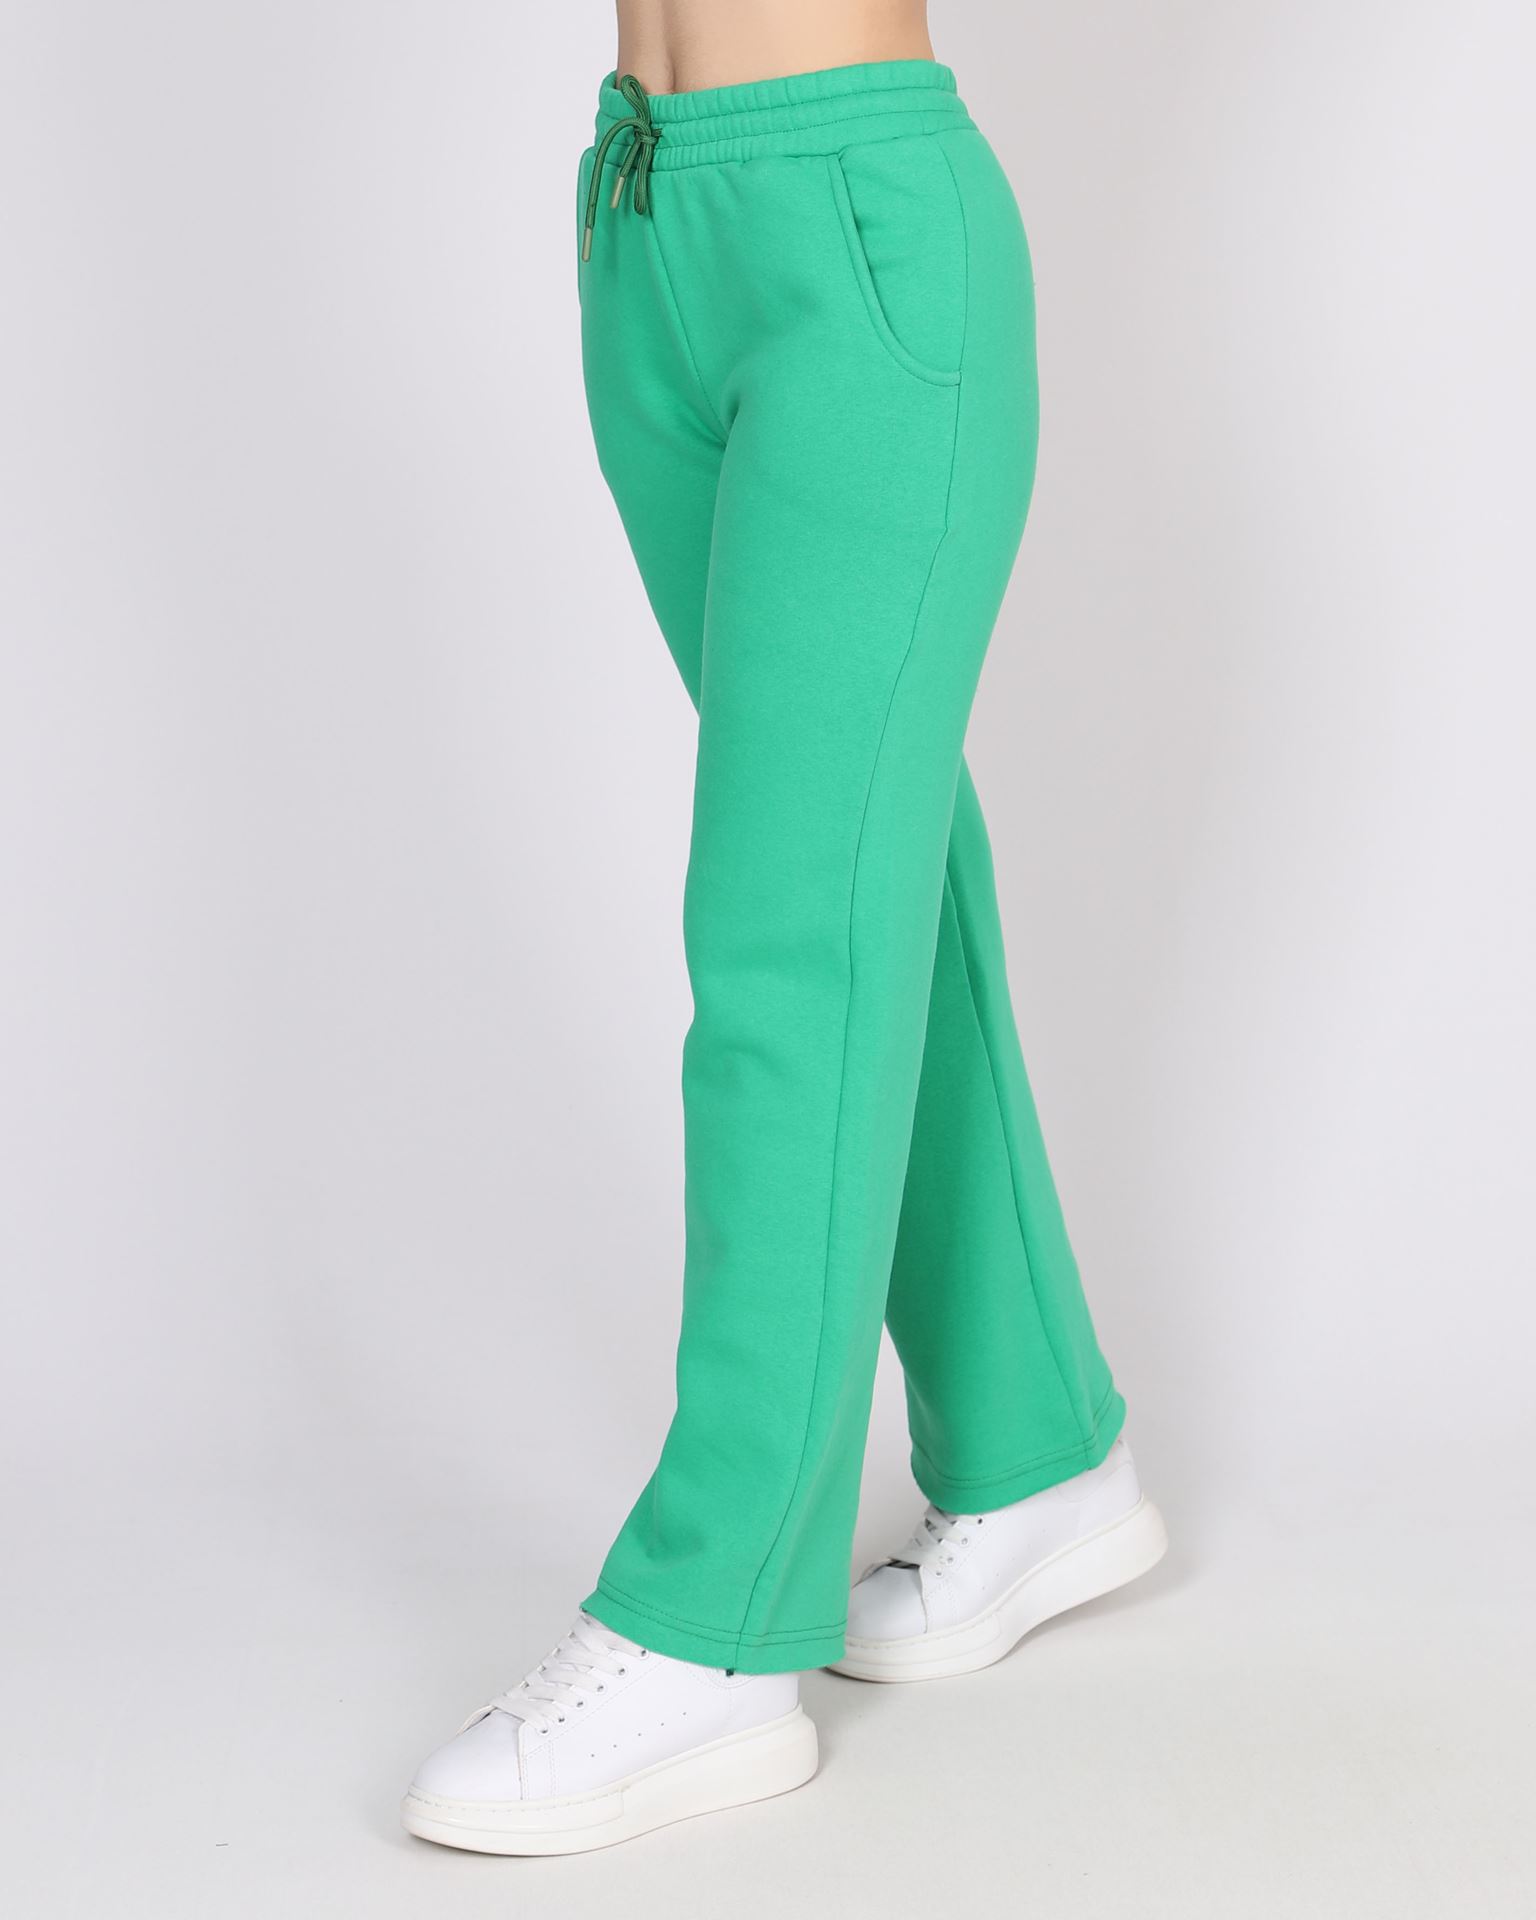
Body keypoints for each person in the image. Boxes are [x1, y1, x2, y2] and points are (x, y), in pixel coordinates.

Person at [403, 0, 1165, 1855]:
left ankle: (716, 1617)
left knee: (784, 948)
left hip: (854, 234)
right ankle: (1037, 1448)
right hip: (650, 217)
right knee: (861, 875)